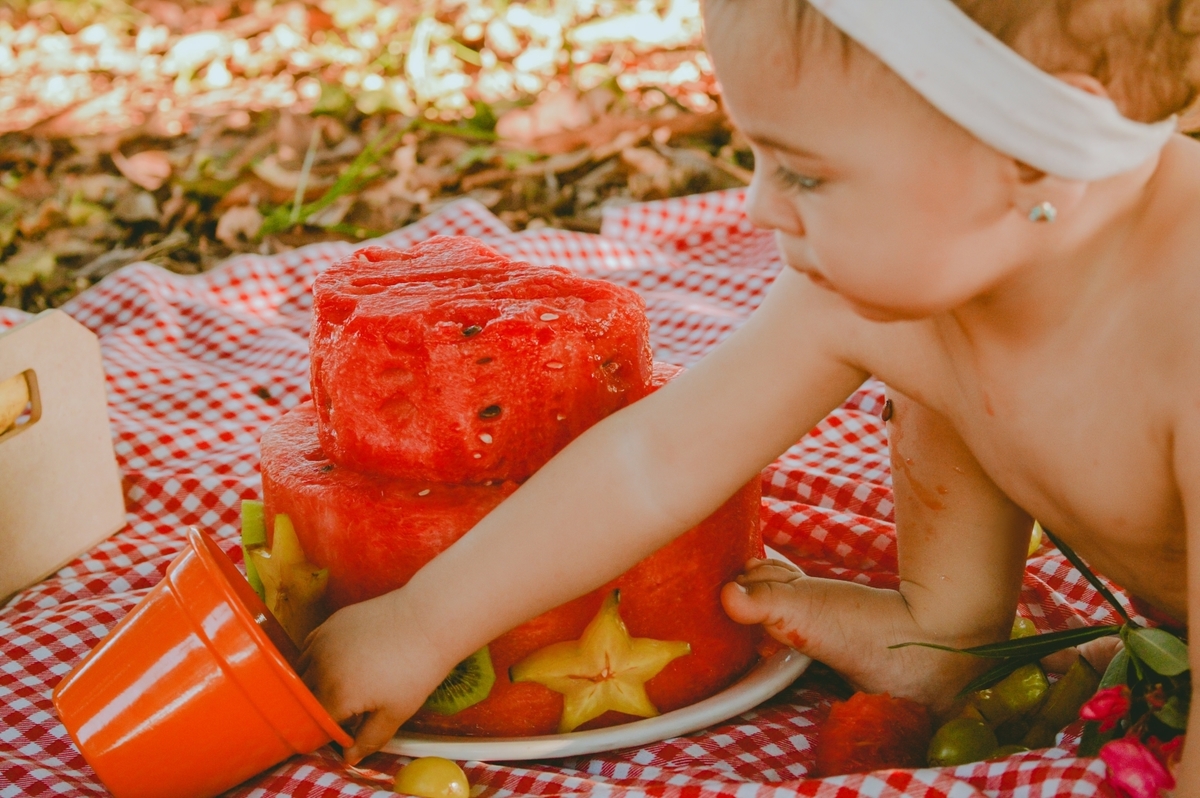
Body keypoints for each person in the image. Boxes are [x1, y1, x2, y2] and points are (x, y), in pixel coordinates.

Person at [300, 0, 1200, 788]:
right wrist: (423, 623)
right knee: (930, 310)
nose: (759, 208)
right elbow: (657, 458)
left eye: (804, 173)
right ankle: (948, 634)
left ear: (1032, 155)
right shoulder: (925, 268)